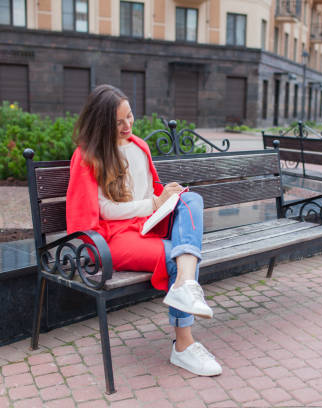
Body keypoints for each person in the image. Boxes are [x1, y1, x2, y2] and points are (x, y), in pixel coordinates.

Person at [66, 84, 221, 376]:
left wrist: (166, 198)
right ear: (101, 123)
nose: (128, 125)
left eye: (130, 117)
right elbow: (102, 211)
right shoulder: (88, 157)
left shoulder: (139, 147)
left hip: (149, 226)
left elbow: (153, 192)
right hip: (115, 236)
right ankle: (183, 346)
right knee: (175, 256)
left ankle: (186, 286)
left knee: (191, 199)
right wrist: (153, 203)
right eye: (119, 122)